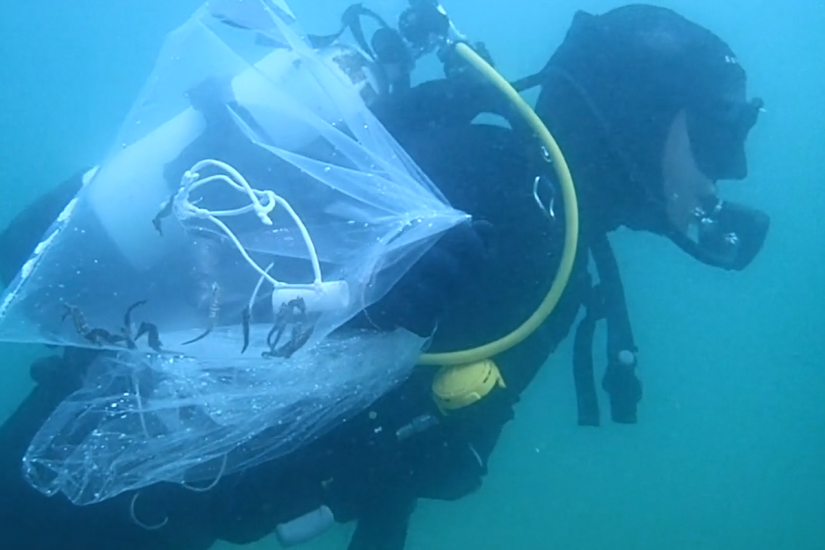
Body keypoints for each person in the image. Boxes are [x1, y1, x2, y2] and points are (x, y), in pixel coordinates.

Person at [0, 3, 769, 550]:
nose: (723, 172)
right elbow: (221, 291)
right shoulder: (497, 182)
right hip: (92, 489)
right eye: (709, 135)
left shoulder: (551, 227)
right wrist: (369, 307)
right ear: (641, 111)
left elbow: (433, 445)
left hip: (139, 495)